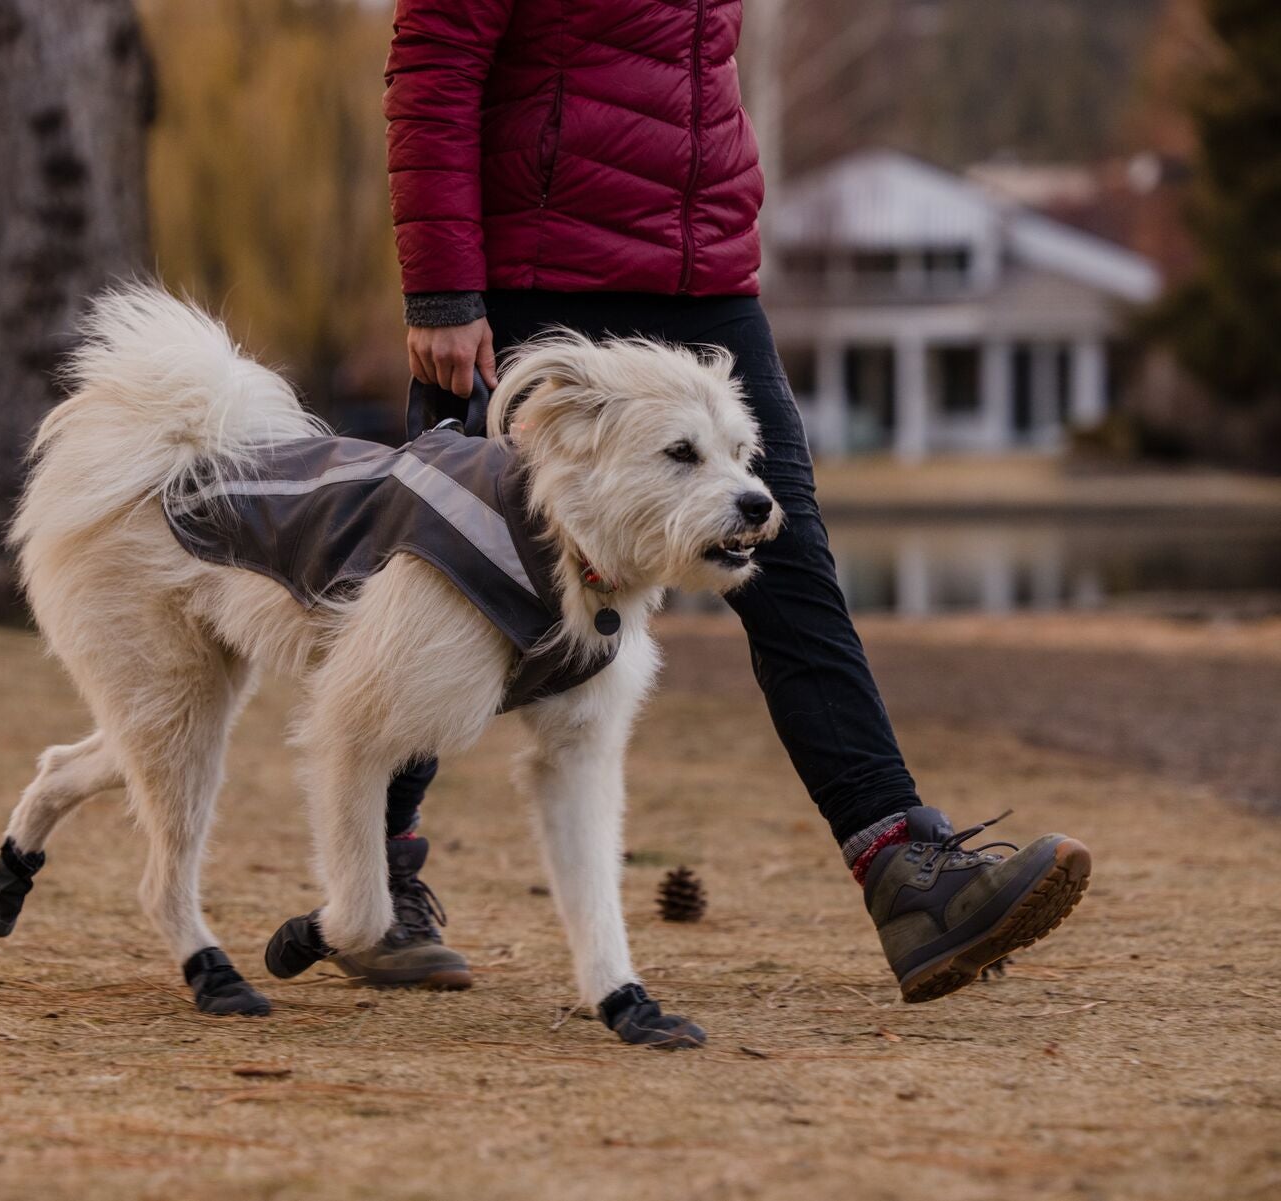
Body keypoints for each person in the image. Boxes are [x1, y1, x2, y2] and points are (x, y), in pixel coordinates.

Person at [327, 0, 1093, 1003]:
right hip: (536, 274)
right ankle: (380, 870)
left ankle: (909, 873)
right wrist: (442, 291)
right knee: (454, 583)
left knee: (792, 565)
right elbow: (435, 59)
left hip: (703, 279)